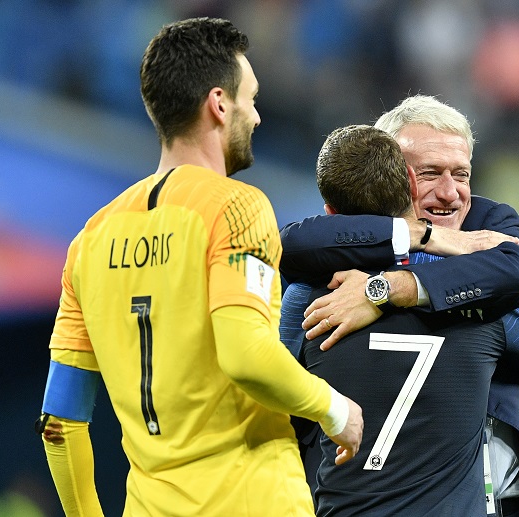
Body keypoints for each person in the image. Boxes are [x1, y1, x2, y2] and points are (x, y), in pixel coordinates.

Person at [35, 18, 363, 517]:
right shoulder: (237, 208)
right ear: (218, 104)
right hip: (251, 500)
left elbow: (59, 420)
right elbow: (246, 355)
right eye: (250, 99)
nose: (256, 117)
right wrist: (335, 409)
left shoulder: (88, 241)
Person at [280, 96, 519, 516]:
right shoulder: (327, 265)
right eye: (430, 173)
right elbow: (290, 244)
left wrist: (388, 289)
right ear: (390, 175)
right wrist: (425, 242)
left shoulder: (487, 224)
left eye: (462, 174)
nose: (450, 192)